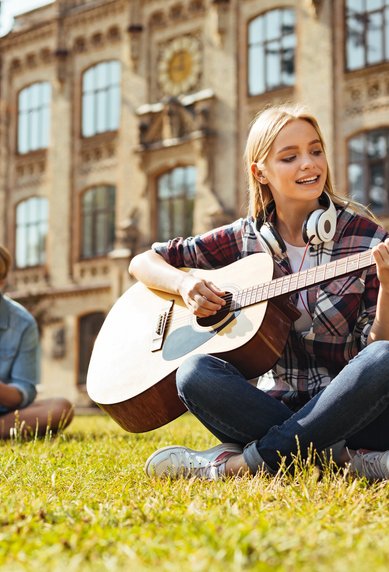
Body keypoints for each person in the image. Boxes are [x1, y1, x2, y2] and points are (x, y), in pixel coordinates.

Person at [129, 104, 389, 481]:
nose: (309, 164)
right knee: (194, 373)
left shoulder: (367, 238)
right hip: (271, 408)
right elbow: (144, 261)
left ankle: (240, 464)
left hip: (355, 412)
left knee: (384, 357)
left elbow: (375, 355)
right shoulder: (243, 238)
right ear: (260, 172)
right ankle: (344, 459)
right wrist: (186, 285)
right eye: (290, 157)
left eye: (316, 151)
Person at [0, 245, 74, 438]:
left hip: (5, 413)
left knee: (60, 408)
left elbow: (23, 391)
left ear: (2, 281)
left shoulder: (22, 323)